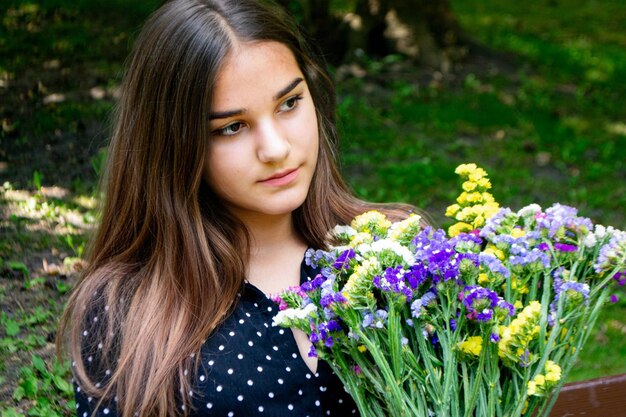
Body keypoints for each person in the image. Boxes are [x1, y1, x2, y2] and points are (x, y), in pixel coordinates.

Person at [58, 0, 415, 416]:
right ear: (174, 145)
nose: (276, 148)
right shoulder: (130, 311)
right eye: (232, 127)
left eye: (289, 103)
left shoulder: (397, 252)